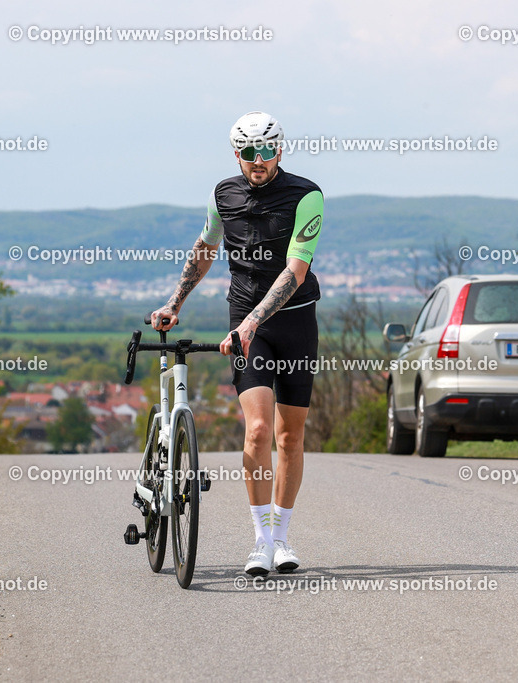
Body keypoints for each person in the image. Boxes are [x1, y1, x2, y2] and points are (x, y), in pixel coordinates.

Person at [151, 111, 324, 576]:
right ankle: (260, 539)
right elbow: (205, 248)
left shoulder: (307, 196)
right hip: (247, 326)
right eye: (248, 152)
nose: (258, 160)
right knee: (258, 431)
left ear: (280, 149)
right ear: (237, 154)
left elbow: (296, 271)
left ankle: (283, 538)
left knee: (290, 436)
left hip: (295, 323)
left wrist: (251, 321)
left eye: (266, 150)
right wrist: (175, 302)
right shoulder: (222, 194)